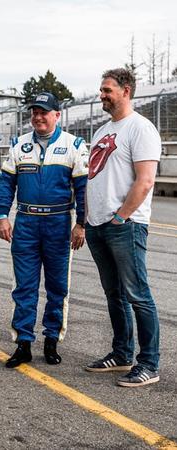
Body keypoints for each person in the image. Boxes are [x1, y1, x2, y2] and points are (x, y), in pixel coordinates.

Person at [0, 92, 88, 367]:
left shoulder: (75, 145)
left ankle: (51, 340)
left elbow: (83, 189)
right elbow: (5, 184)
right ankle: (23, 342)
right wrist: (3, 216)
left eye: (44, 112)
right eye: (34, 112)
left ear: (57, 115)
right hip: (25, 223)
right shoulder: (18, 145)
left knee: (58, 287)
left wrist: (80, 224)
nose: (38, 117)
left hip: (59, 224)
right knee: (24, 287)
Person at [85, 68, 161, 387]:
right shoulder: (102, 130)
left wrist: (121, 217)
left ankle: (149, 363)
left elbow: (145, 181)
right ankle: (121, 353)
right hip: (97, 226)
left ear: (125, 91)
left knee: (137, 294)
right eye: (101, 90)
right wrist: (90, 220)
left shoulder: (140, 129)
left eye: (107, 90)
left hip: (124, 225)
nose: (102, 94)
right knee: (113, 293)